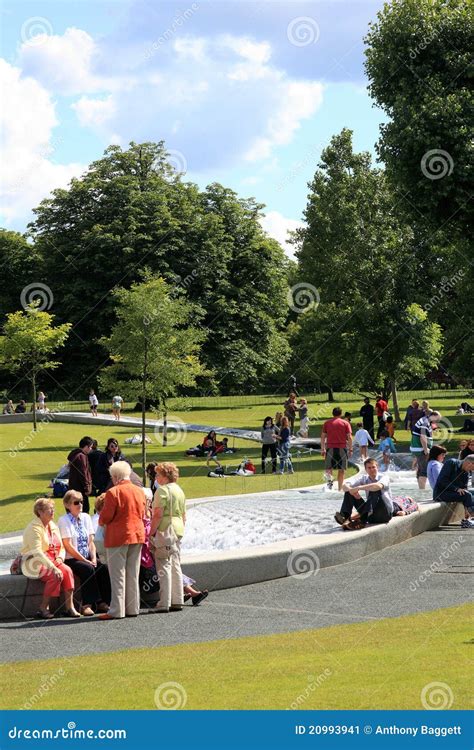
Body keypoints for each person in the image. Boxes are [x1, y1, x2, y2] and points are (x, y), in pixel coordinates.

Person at [98, 461, 145, 619]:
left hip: (118, 537)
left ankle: (117, 610)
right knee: (133, 573)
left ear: (116, 476)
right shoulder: (139, 491)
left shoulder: (113, 492)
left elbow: (105, 516)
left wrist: (101, 522)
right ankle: (133, 608)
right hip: (137, 535)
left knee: (118, 575)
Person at [21, 498, 79, 619]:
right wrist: (53, 567)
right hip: (34, 562)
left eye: (53, 509)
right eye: (49, 509)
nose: (53, 511)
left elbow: (61, 546)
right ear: (40, 512)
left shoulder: (53, 525)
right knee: (54, 575)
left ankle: (70, 607)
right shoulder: (33, 528)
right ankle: (43, 608)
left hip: (53, 560)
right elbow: (37, 552)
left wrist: (60, 558)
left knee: (67, 571)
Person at [57, 490, 111, 616]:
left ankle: (103, 601)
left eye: (81, 502)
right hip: (72, 558)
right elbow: (68, 545)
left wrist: (92, 557)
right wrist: (85, 560)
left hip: (86, 555)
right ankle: (86, 604)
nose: (80, 505)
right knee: (87, 568)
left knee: (101, 566)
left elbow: (91, 541)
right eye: (76, 502)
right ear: (67, 505)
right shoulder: (64, 520)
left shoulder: (86, 517)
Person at [150, 462, 186, 613]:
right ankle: (178, 600)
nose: (156, 477)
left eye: (158, 474)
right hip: (177, 529)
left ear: (165, 476)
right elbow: (184, 515)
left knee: (163, 565)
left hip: (165, 529)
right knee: (175, 564)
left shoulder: (162, 491)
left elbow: (157, 514)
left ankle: (164, 602)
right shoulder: (179, 490)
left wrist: (151, 532)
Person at [334, 457, 393, 530]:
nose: (371, 469)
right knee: (349, 492)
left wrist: (359, 488)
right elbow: (344, 486)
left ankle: (362, 521)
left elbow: (377, 486)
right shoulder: (364, 478)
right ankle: (345, 518)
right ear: (366, 469)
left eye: (373, 467)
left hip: (384, 514)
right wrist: (352, 490)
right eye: (369, 468)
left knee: (374, 491)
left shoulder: (384, 477)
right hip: (370, 514)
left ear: (377, 467)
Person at [433, 455, 474, 527]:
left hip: (453, 493)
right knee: (468, 495)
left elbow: (464, 490)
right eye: (473, 468)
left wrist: (466, 509)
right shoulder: (451, 463)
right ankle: (470, 519)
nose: (472, 470)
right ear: (469, 463)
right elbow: (442, 480)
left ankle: (468, 519)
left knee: (470, 493)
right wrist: (456, 489)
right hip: (441, 493)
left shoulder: (466, 473)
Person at [320, 407, 353, 490]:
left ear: (332, 413)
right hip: (342, 448)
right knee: (341, 469)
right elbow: (349, 437)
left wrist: (323, 448)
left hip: (330, 448)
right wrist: (350, 449)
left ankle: (329, 486)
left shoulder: (327, 423)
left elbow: (323, 436)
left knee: (328, 468)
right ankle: (339, 489)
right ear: (341, 414)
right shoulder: (345, 423)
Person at [409, 411, 442, 489]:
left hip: (417, 448)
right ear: (433, 416)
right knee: (424, 471)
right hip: (421, 449)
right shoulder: (425, 422)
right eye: (437, 419)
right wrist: (426, 449)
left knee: (421, 469)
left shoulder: (425, 420)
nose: (437, 421)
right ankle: (422, 491)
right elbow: (422, 437)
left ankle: (421, 489)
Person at [67, 436, 94, 513]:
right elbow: (83, 473)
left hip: (74, 487)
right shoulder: (81, 457)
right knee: (83, 510)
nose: (91, 449)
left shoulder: (76, 455)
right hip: (80, 489)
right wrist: (87, 488)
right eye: (90, 447)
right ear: (86, 446)